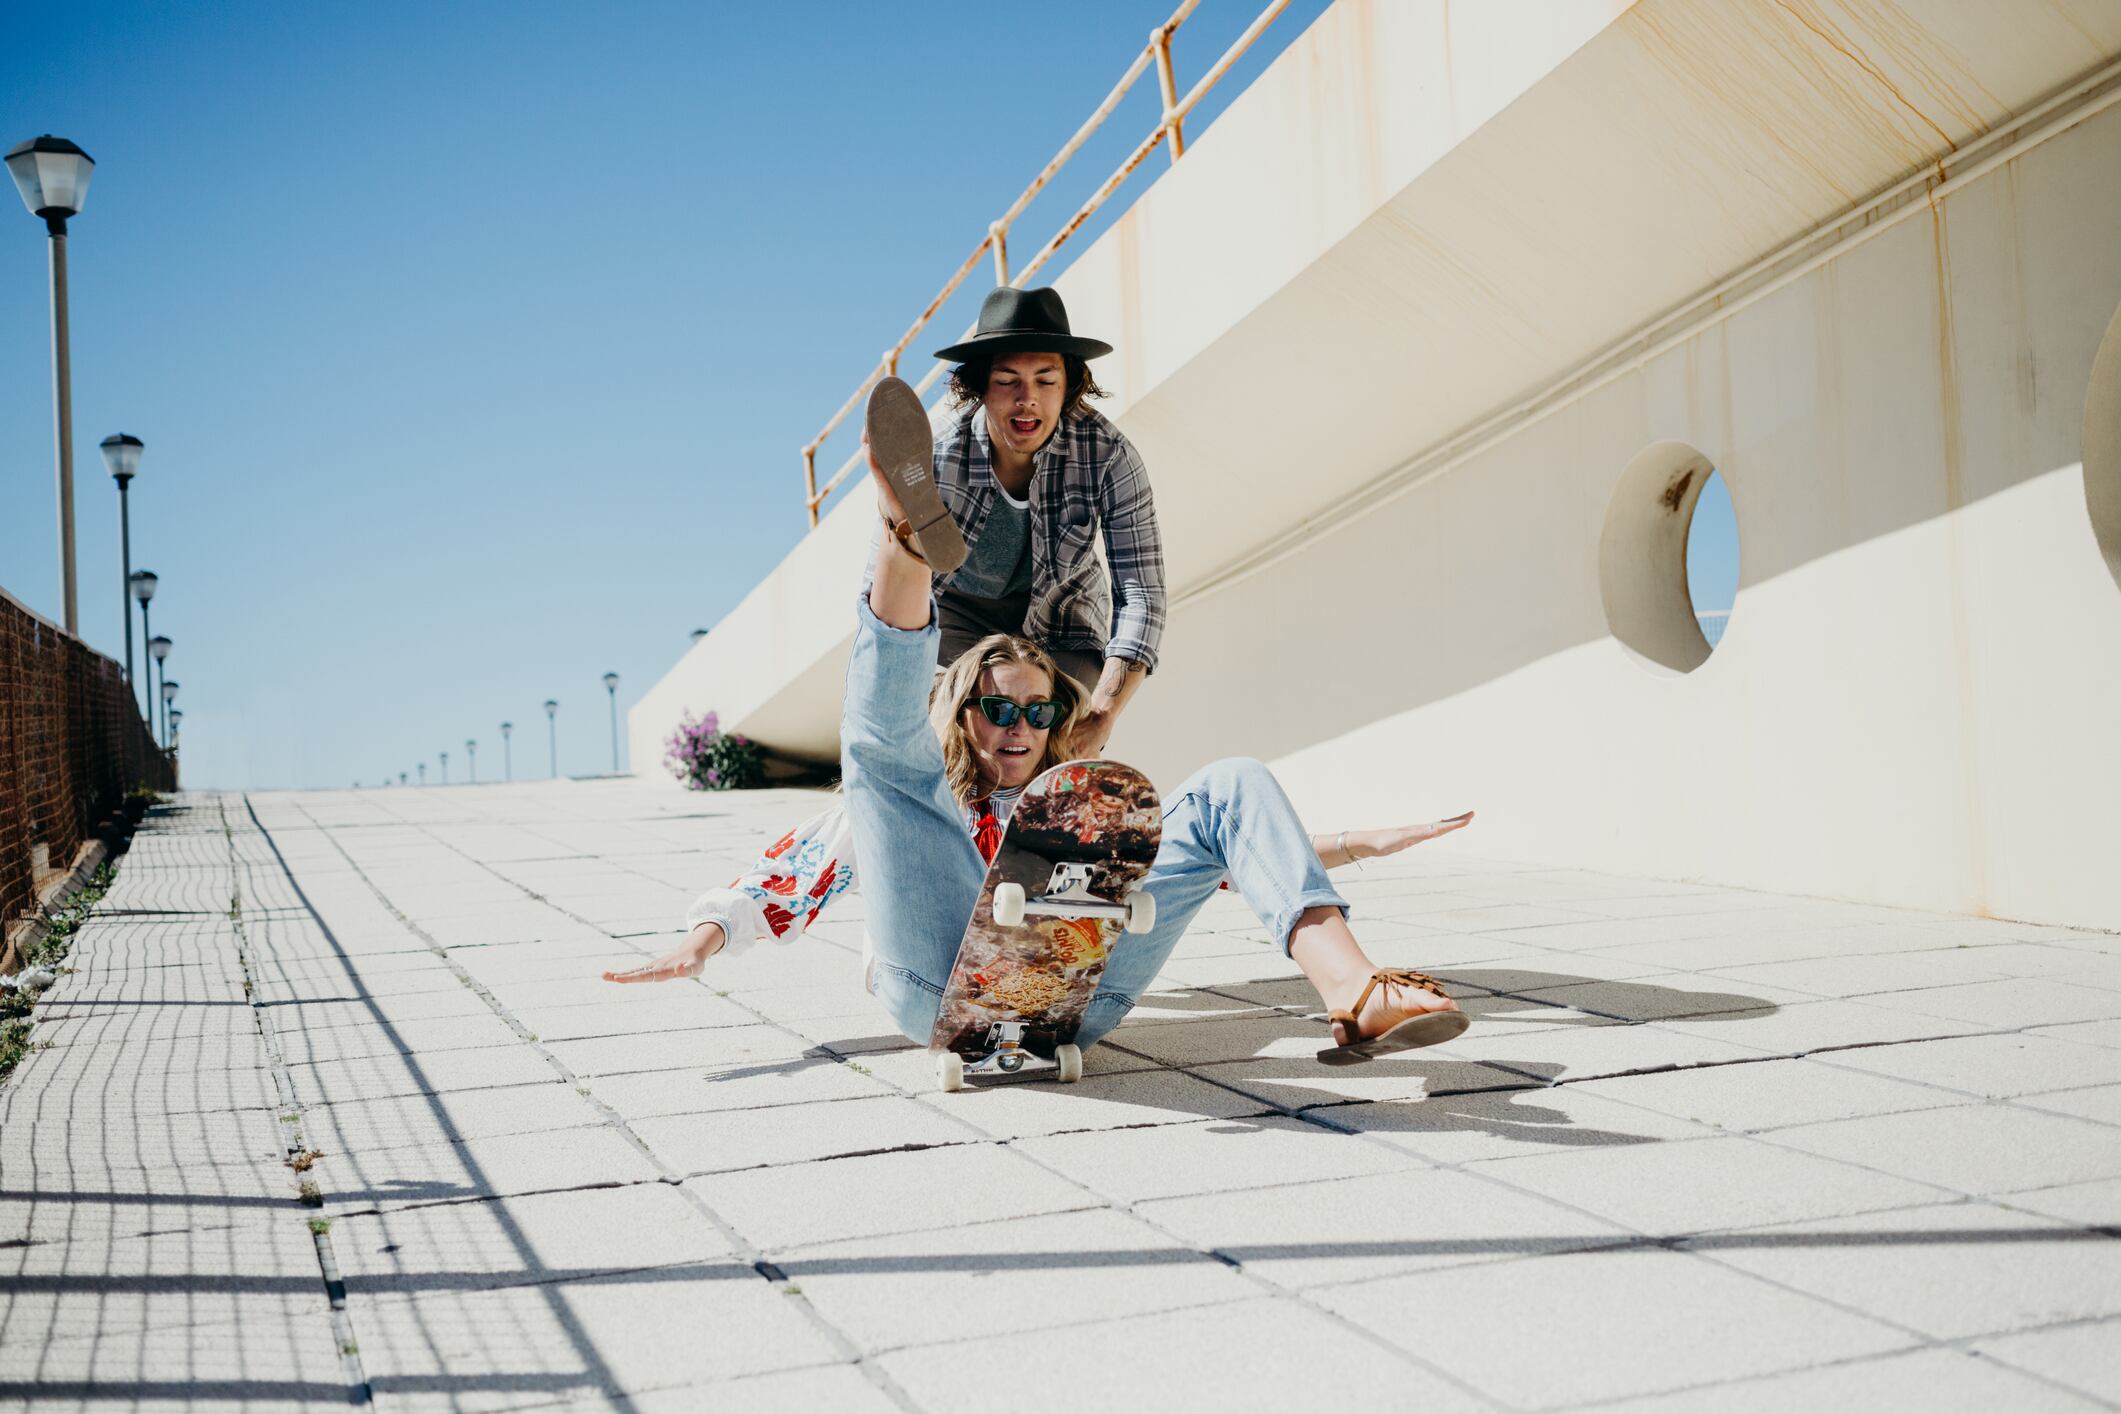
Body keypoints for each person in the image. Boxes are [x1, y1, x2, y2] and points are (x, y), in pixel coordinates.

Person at [606, 412, 1474, 1064]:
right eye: (997, 709)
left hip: (1075, 1005)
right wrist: (699, 943)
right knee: (881, 770)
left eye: (1035, 712)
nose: (1018, 728)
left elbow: (1207, 855)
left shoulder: (1069, 808)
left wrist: (1361, 841)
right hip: (939, 995)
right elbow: (786, 879)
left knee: (1224, 785)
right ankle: (905, 545)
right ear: (964, 715)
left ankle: (1352, 991)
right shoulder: (918, 801)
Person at [873, 285, 1163, 758]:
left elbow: (1142, 594)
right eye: (1008, 380)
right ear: (979, 387)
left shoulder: (1109, 456)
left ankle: (1046, 821)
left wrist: (1104, 713)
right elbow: (879, 597)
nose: (1026, 399)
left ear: (1069, 385)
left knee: (1047, 731)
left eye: (1045, 381)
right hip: (961, 613)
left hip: (1062, 622)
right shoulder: (940, 453)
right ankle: (959, 817)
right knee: (963, 729)